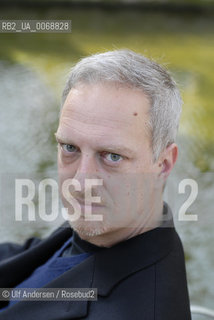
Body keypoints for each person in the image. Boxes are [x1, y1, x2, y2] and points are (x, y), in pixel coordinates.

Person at [0, 50, 191, 319]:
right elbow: (36, 255)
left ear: (164, 164)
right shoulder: (111, 223)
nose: (80, 181)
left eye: (112, 156)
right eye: (70, 147)